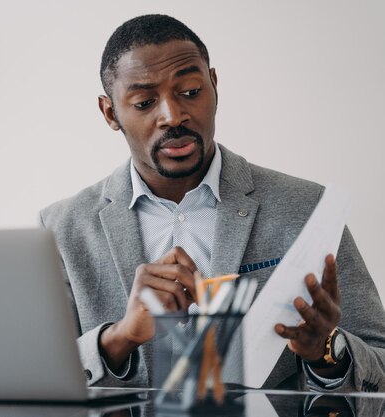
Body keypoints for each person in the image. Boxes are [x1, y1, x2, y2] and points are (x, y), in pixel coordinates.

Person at [39, 14, 385, 391]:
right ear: (110, 113)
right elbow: (32, 379)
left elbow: (379, 362)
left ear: (214, 85)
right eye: (144, 102)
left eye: (190, 91)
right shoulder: (61, 228)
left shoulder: (308, 207)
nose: (172, 116)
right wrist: (120, 337)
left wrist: (326, 350)